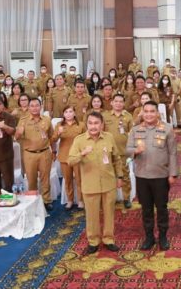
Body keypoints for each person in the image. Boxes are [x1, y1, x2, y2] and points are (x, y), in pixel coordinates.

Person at [68, 111, 123, 254]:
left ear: (102, 124)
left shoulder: (109, 137)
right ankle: (93, 241)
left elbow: (117, 159)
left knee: (109, 213)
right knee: (92, 216)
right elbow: (70, 160)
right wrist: (82, 154)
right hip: (90, 185)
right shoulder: (79, 140)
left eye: (96, 123)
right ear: (86, 124)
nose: (93, 126)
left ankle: (109, 239)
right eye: (90, 123)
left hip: (108, 183)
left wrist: (120, 177)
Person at [126, 101, 178, 251]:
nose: (149, 114)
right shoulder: (135, 130)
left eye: (152, 111)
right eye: (146, 111)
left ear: (157, 113)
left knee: (161, 208)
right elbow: (127, 150)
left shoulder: (167, 129)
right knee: (146, 208)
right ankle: (149, 237)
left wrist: (173, 173)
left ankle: (163, 236)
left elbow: (173, 153)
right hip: (142, 176)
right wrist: (135, 151)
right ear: (142, 113)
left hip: (161, 176)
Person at [14, 98, 55, 211]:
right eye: (32, 106)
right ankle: (33, 200)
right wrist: (18, 133)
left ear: (41, 106)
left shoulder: (46, 119)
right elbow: (16, 137)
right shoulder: (23, 120)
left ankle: (46, 201)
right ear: (28, 107)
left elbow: (51, 137)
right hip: (29, 154)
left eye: (37, 105)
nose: (34, 108)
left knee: (45, 179)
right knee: (31, 179)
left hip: (44, 152)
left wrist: (54, 151)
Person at [52, 106, 86, 210]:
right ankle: (70, 200)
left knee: (79, 180)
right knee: (68, 180)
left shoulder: (81, 125)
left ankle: (80, 200)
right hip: (64, 156)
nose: (68, 114)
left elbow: (86, 139)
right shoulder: (59, 125)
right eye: (66, 112)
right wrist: (58, 133)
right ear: (63, 114)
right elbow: (53, 140)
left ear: (74, 113)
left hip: (78, 156)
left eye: (71, 111)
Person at [103, 94, 133, 208]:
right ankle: (110, 198)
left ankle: (126, 198)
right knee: (108, 175)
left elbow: (132, 134)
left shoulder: (128, 116)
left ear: (124, 103)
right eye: (116, 101)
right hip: (108, 151)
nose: (118, 104)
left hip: (122, 151)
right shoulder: (105, 116)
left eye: (121, 101)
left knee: (125, 175)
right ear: (112, 103)